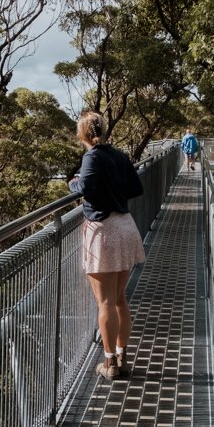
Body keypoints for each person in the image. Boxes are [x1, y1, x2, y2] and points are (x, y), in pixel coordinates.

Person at [69, 111, 145, 381]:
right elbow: (136, 188)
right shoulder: (118, 155)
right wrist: (114, 190)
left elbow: (85, 186)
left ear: (83, 134)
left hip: (103, 232)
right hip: (126, 227)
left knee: (105, 302)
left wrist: (73, 183)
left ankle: (109, 362)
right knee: (120, 299)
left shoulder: (92, 156)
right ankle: (122, 357)